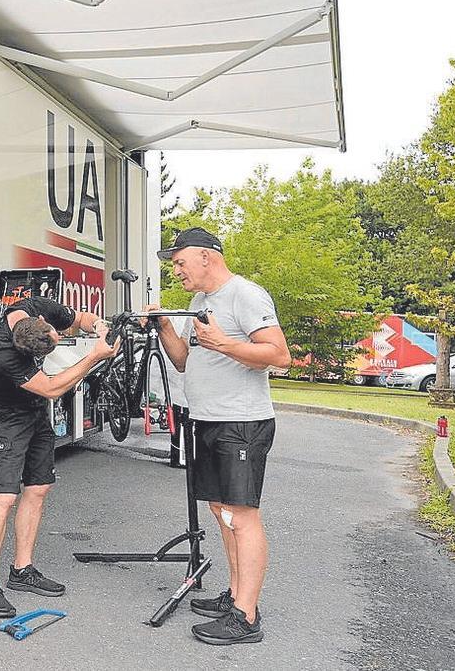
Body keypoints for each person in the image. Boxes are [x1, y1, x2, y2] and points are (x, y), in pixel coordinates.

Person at [149, 227, 291, 645]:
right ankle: (234, 594)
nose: (176, 270)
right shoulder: (200, 302)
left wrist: (226, 344)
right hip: (207, 420)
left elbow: (279, 356)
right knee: (221, 511)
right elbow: (184, 361)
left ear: (206, 256)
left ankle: (246, 617)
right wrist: (164, 328)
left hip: (241, 423)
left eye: (179, 262)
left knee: (242, 517)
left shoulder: (245, 295)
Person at [0, 295, 120, 618]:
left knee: (38, 489)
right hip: (5, 416)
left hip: (35, 412)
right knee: (5, 496)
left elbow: (80, 317)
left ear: (45, 323)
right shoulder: (0, 349)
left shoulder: (38, 307)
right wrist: (95, 355)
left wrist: (98, 326)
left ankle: (22, 570)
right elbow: (52, 388)